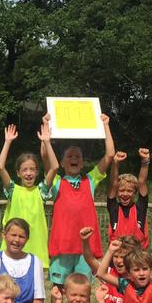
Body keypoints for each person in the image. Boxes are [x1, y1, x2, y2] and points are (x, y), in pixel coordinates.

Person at [45, 113, 115, 286]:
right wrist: (46, 134)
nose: (74, 158)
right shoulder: (56, 181)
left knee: (83, 288)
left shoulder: (90, 180)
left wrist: (106, 125)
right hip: (62, 245)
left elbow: (109, 155)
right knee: (58, 289)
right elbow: (46, 158)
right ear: (62, 163)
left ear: (83, 163)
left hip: (86, 247)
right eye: (69, 156)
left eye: (78, 156)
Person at [0, 121, 56, 268]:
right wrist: (7, 142)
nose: (28, 173)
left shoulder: (41, 191)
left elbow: (54, 167)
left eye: (32, 169)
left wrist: (47, 142)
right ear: (18, 173)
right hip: (12, 248)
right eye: (24, 170)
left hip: (36, 249)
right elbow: (0, 166)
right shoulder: (12, 190)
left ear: (37, 172)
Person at [107, 148, 150, 248]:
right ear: (117, 192)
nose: (125, 194)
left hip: (137, 255)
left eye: (129, 191)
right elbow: (113, 183)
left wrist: (145, 161)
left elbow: (142, 182)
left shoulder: (140, 208)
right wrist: (115, 163)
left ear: (135, 193)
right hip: (117, 255)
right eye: (121, 190)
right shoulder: (114, 208)